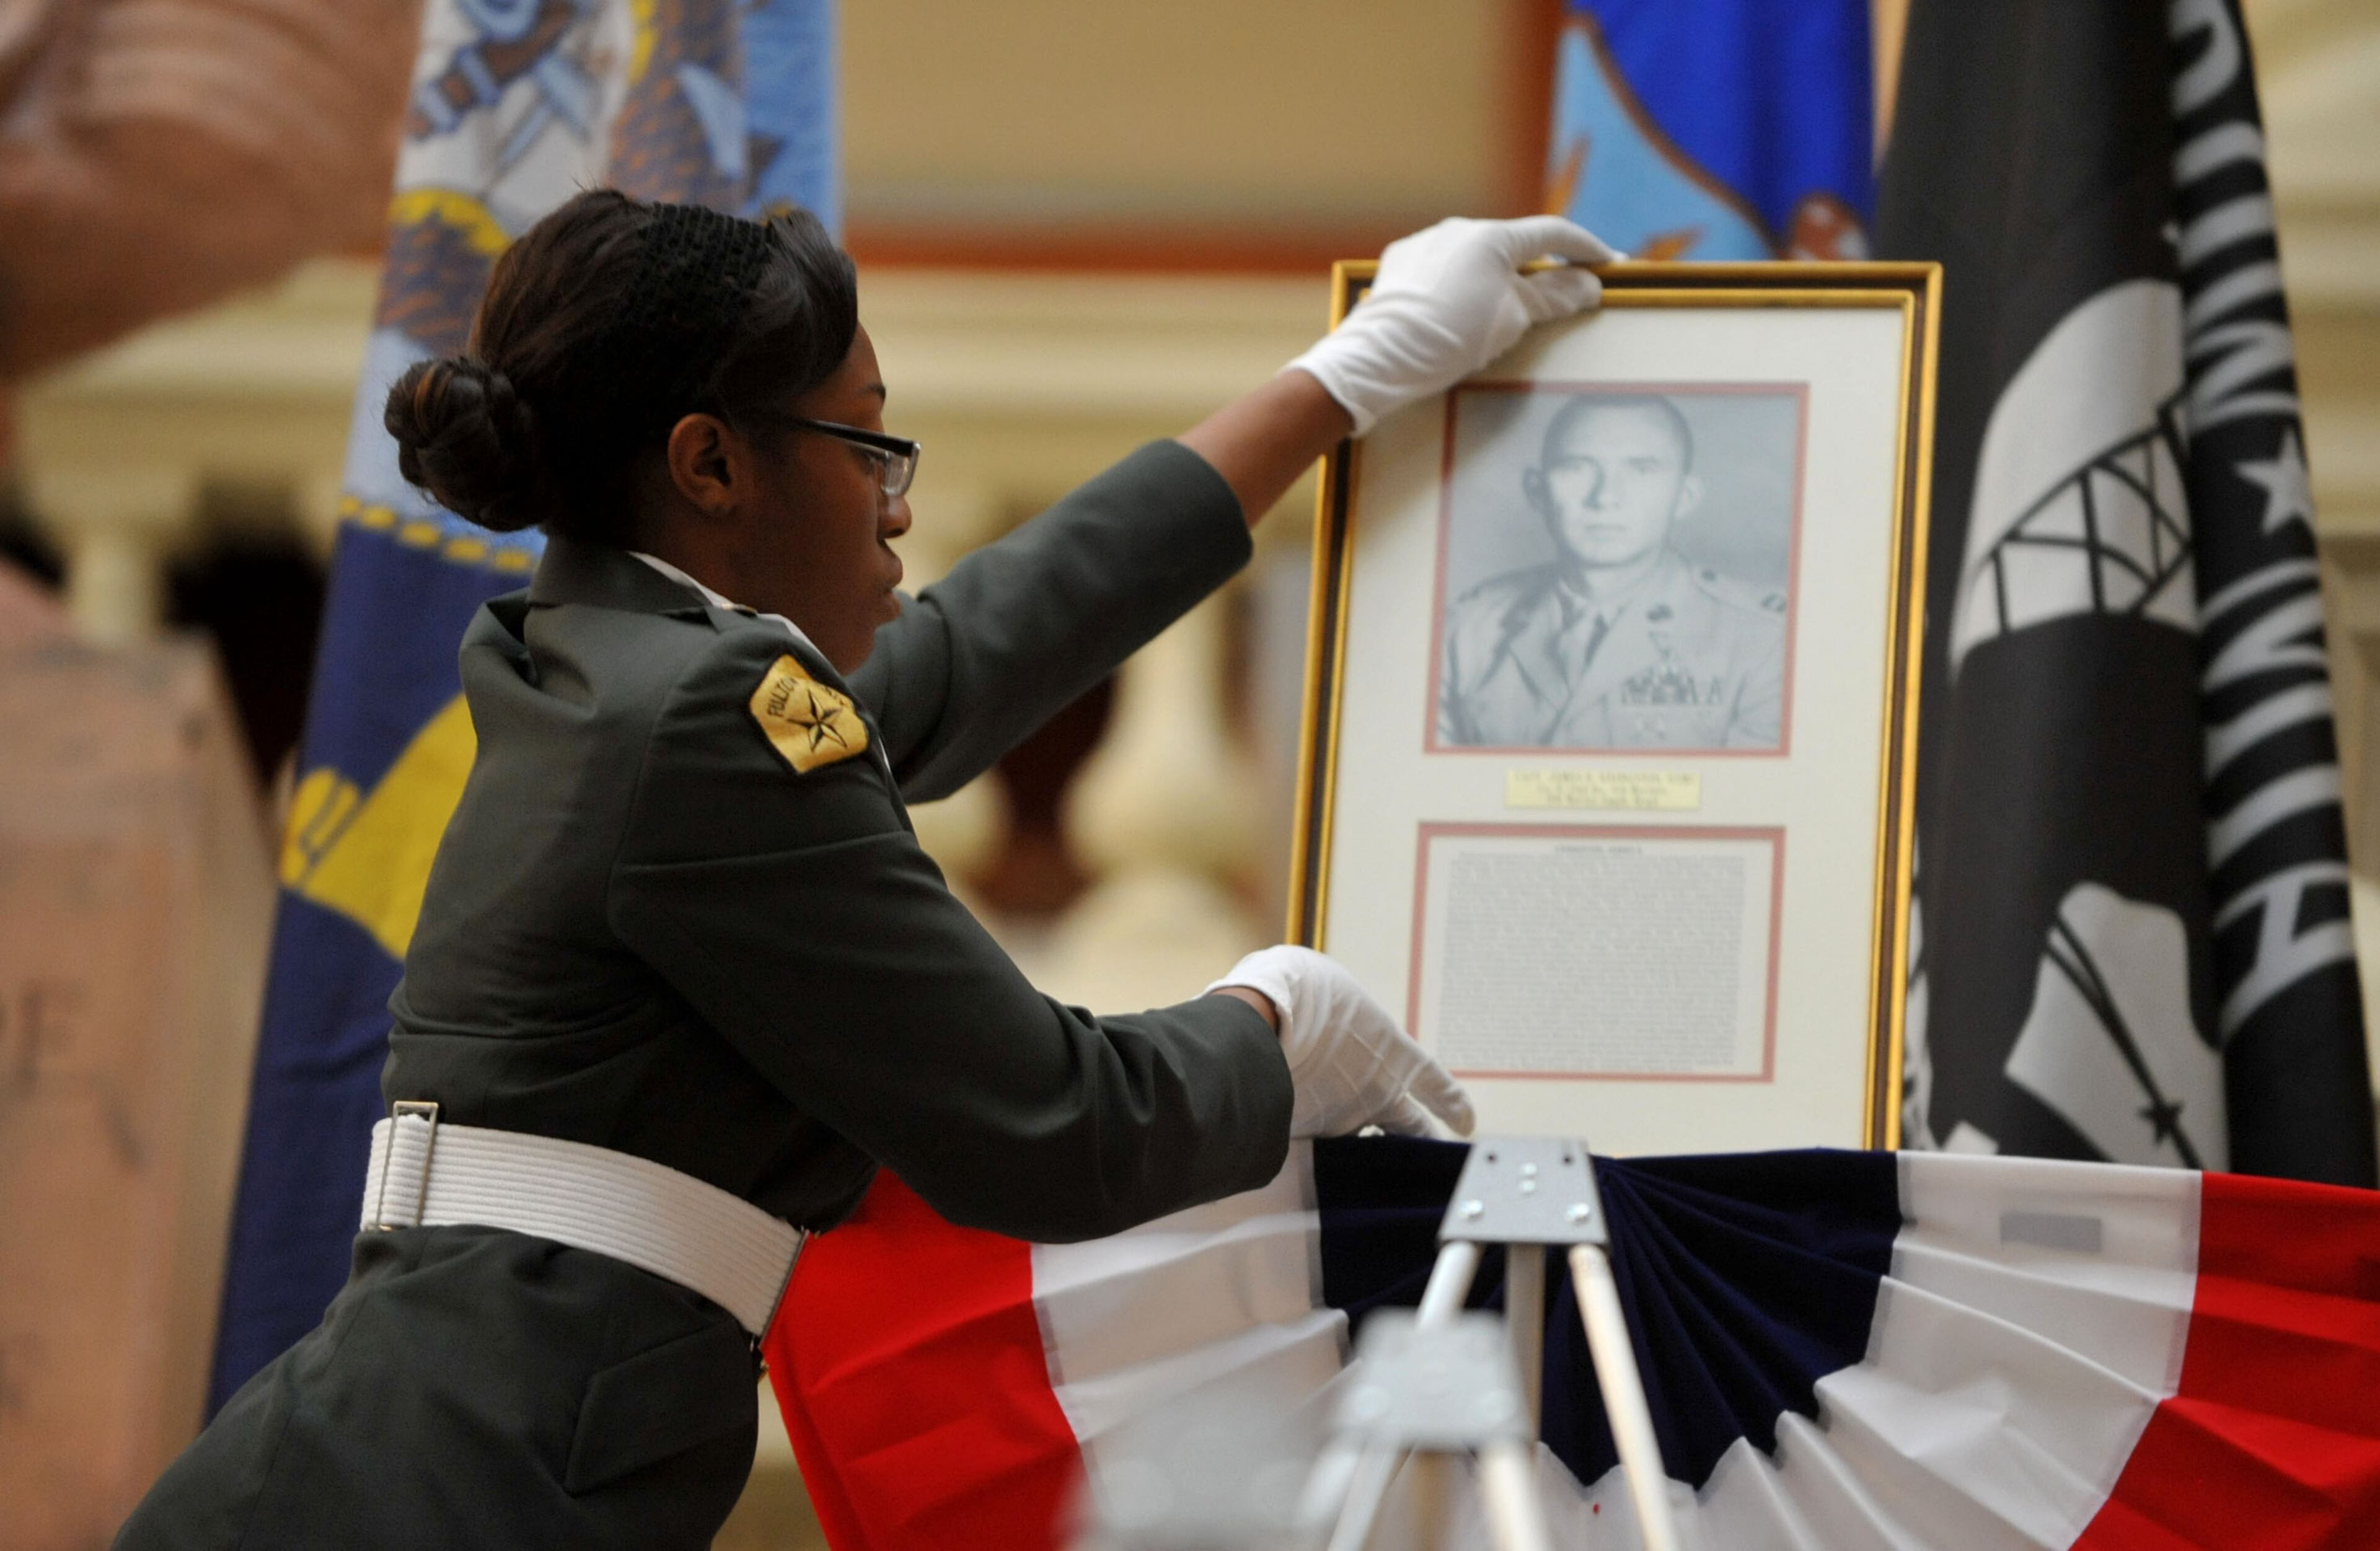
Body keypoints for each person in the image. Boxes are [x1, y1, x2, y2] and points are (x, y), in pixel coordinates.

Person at [114, 196, 1615, 1549]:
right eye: (866, 446)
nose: (899, 504)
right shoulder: (702, 714)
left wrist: (1344, 378)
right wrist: (1278, 1029)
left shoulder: (614, 663)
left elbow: (978, 647)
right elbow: (1055, 1125)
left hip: (418, 1457)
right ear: (711, 463)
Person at [1438, 392, 1786, 750]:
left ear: (1685, 497)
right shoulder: (1464, 632)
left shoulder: (1765, 640)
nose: (1605, 498)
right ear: (1537, 492)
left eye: (1641, 470)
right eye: (1577, 468)